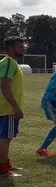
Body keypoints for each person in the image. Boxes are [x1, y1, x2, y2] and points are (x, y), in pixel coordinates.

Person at [0, 37, 26, 177]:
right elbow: (4, 85)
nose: (23, 48)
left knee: (6, 137)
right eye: (20, 46)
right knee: (5, 138)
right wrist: (15, 107)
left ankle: (6, 164)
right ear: (10, 49)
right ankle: (3, 170)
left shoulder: (9, 62)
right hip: (7, 109)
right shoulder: (9, 62)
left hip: (6, 108)